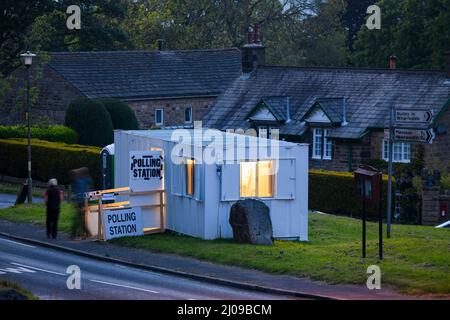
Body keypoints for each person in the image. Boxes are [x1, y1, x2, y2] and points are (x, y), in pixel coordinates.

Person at [70, 167, 93, 239]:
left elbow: (77, 191)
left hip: (81, 202)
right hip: (84, 201)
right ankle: (86, 233)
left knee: (79, 218)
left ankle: (75, 234)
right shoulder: (87, 180)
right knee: (82, 218)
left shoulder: (79, 181)